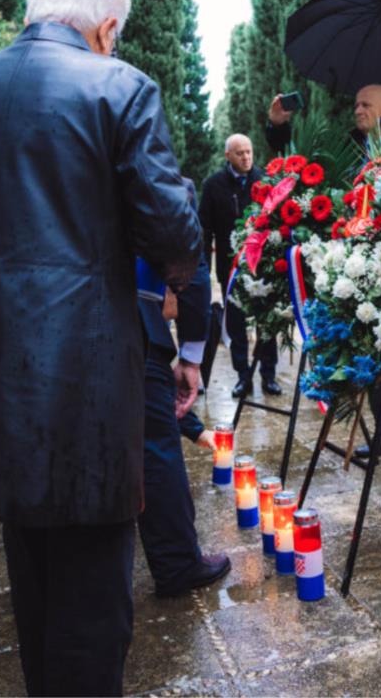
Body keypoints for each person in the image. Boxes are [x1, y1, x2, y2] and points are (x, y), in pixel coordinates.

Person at [0, 0, 201, 697]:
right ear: (105, 28)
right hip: (86, 365)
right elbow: (169, 230)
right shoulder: (119, 85)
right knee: (95, 586)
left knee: (28, 560)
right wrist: (177, 269)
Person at [267, 84, 381, 470]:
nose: (357, 110)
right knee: (372, 348)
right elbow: (303, 168)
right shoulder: (349, 146)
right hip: (356, 262)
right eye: (355, 102)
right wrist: (278, 129)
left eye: (365, 104)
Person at [135, 181, 231, 597]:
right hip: (131, 312)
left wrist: (193, 428)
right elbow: (185, 253)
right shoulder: (145, 173)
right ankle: (177, 562)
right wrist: (191, 355)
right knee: (154, 444)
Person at [199, 134, 281, 399]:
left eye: (248, 152)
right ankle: (242, 376)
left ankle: (268, 374)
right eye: (239, 153)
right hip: (231, 268)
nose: (246, 157)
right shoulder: (213, 185)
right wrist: (204, 266)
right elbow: (205, 230)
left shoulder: (264, 180)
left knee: (267, 323)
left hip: (264, 267)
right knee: (235, 325)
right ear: (228, 156)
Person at [265, 83, 381, 157]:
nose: (357, 111)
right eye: (356, 106)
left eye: (365, 105)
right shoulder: (346, 145)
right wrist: (277, 125)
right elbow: (298, 161)